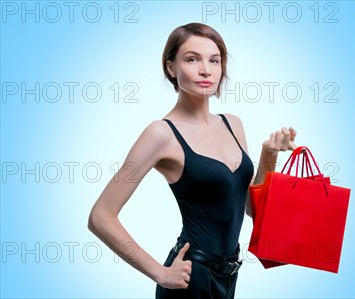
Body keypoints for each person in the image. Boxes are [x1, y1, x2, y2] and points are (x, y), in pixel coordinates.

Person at [87, 22, 299, 299]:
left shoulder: (233, 124)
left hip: (230, 274)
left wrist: (268, 156)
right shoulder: (161, 134)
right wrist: (160, 273)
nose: (206, 70)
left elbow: (248, 207)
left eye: (214, 60)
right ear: (171, 68)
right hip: (190, 277)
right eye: (192, 59)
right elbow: (100, 216)